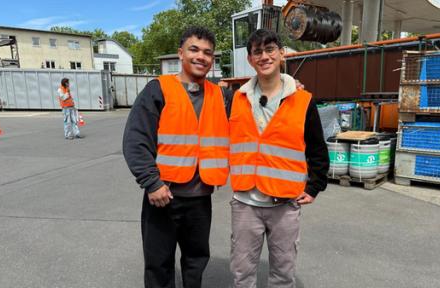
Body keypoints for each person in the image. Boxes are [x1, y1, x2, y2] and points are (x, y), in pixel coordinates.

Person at [122, 26, 230, 288]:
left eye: (207, 53)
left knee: (196, 261)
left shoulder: (220, 94)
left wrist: (288, 85)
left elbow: (256, 102)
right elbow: (135, 140)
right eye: (194, 49)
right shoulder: (158, 89)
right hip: (163, 198)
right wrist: (152, 182)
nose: (201, 57)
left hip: (200, 199)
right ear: (180, 53)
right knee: (159, 264)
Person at [229, 29, 329, 288]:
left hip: (284, 204)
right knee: (242, 275)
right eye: (257, 52)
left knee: (283, 276)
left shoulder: (303, 100)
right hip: (245, 202)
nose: (264, 56)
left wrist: (315, 185)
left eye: (270, 49)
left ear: (282, 54)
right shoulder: (236, 99)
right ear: (250, 60)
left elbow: (317, 148)